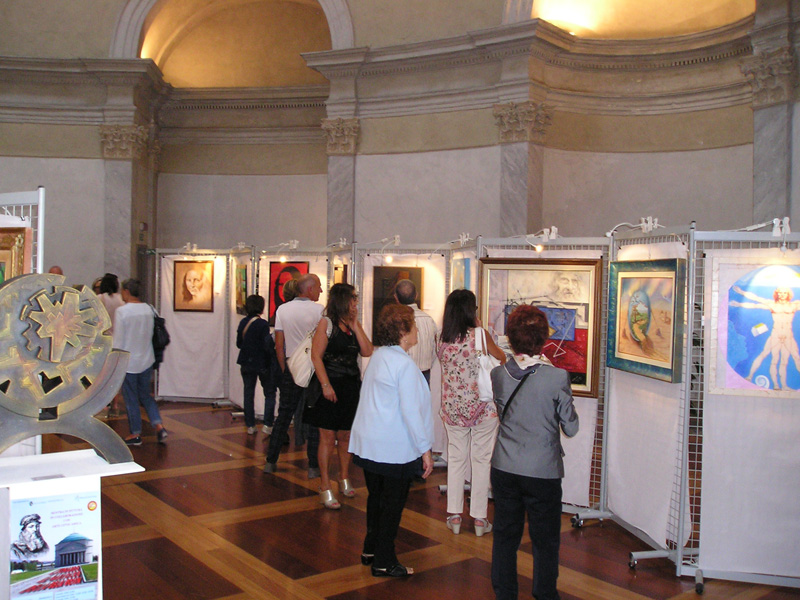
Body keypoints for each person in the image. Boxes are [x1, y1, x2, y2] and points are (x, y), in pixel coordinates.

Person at [490, 305, 579, 600]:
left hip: (504, 466)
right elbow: (571, 427)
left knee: (505, 536)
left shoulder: (498, 374)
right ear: (543, 338)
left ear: (511, 337)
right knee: (545, 540)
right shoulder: (557, 377)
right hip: (542, 470)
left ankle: (505, 594)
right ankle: (544, 594)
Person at [349, 304, 434, 577]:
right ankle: (384, 560)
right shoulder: (404, 365)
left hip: (370, 443)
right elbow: (411, 411)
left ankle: (371, 549)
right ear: (402, 332)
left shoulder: (379, 356)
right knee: (392, 505)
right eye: (413, 325)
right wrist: (425, 449)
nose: (417, 329)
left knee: (377, 499)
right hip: (393, 447)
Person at [437, 289, 506, 537]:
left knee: (456, 460)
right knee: (481, 460)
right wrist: (479, 328)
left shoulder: (441, 338)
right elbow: (502, 358)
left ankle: (454, 515)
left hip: (453, 408)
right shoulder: (480, 335)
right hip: (482, 409)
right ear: (471, 310)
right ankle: (479, 518)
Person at [304, 283, 373, 509]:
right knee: (327, 437)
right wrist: (325, 385)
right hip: (329, 384)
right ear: (343, 300)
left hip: (350, 386)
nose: (355, 303)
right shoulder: (327, 323)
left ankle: (344, 477)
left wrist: (355, 325)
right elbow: (316, 356)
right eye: (353, 298)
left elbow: (367, 351)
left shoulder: (352, 325)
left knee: (346, 436)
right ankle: (325, 484)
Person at [263, 273, 323, 477]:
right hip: (312, 368)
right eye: (318, 287)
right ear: (309, 289)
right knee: (313, 417)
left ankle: (271, 461)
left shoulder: (283, 309)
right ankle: (313, 466)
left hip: (291, 366)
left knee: (284, 415)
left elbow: (279, 345)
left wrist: (285, 368)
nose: (321, 291)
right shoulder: (319, 310)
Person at [114, 278, 167, 446]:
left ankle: (135, 433)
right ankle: (158, 425)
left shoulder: (122, 312)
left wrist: (114, 360)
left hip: (129, 362)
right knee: (145, 396)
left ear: (126, 291)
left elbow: (118, 341)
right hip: (147, 358)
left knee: (131, 398)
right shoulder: (149, 309)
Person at [730, 285, 800, 390]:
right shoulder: (772, 304)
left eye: (784, 293)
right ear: (777, 294)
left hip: (788, 335)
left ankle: (784, 386)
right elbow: (755, 302)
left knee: (790, 359)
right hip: (776, 334)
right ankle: (751, 377)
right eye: (780, 293)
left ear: (788, 294)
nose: (782, 295)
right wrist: (741, 295)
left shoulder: (794, 305)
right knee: (768, 357)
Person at [236, 294, 278, 435]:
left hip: (246, 362)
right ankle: (268, 424)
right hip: (262, 362)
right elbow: (266, 345)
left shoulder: (243, 323)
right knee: (269, 393)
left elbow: (239, 343)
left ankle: (250, 425)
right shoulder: (263, 324)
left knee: (248, 393)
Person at [393, 279, 437, 384]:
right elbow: (434, 349)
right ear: (416, 295)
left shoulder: (394, 320)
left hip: (400, 374)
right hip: (424, 374)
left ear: (396, 297)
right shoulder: (429, 320)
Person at [98, 272, 126, 417]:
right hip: (119, 340)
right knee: (115, 375)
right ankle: (115, 404)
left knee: (102, 375)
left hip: (104, 341)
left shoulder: (100, 299)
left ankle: (103, 404)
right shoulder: (121, 299)